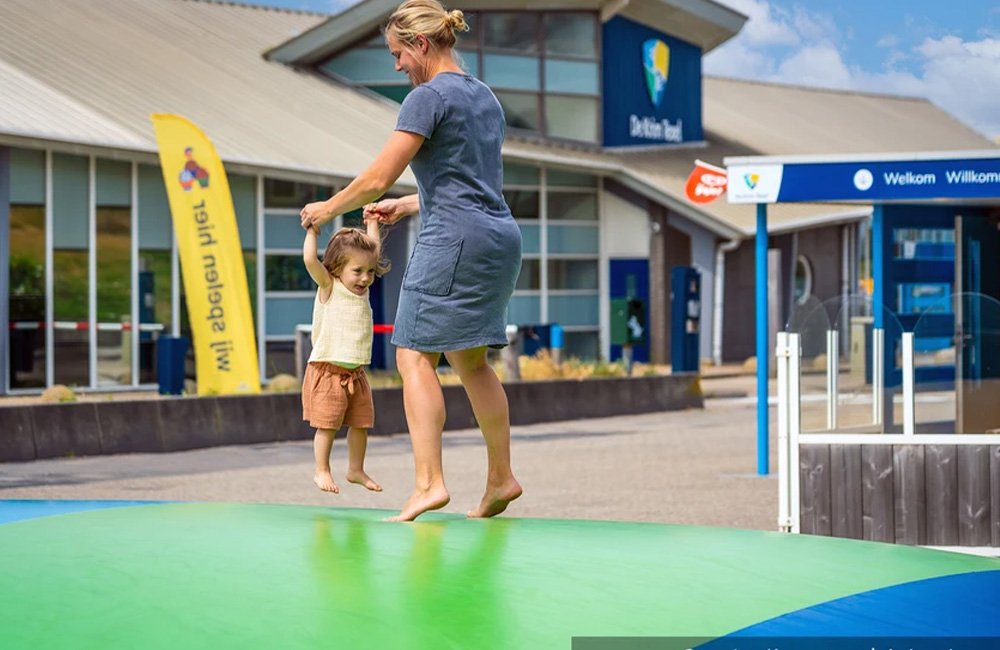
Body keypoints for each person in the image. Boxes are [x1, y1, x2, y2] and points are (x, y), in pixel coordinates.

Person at [300, 0, 522, 521]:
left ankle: (428, 484)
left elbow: (377, 177)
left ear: (421, 45)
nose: (396, 65)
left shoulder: (427, 97)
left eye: (398, 53)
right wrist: (407, 202)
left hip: (456, 241)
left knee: (412, 355)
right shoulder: (483, 95)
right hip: (500, 237)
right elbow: (470, 183)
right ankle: (500, 478)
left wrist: (327, 208)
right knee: (471, 361)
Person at [301, 219, 387, 495]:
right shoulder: (329, 286)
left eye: (370, 272)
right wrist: (312, 232)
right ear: (337, 269)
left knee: (361, 424)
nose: (365, 278)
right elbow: (310, 260)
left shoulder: (361, 291)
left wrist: (372, 223)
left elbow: (373, 251)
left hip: (356, 375)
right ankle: (321, 469)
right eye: (358, 271)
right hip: (328, 372)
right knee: (327, 426)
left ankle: (355, 469)